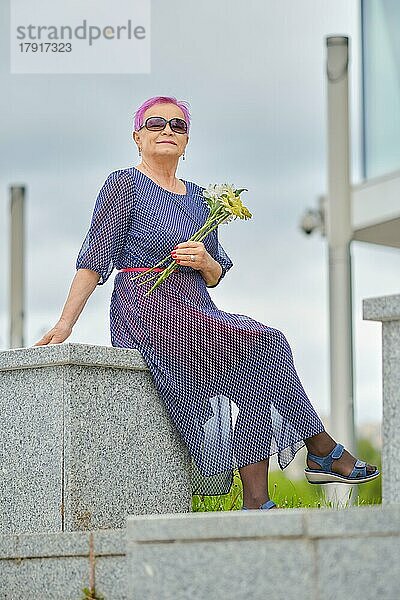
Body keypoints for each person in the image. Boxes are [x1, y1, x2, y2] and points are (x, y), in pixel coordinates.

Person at [34, 95, 380, 510]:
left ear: (187, 141)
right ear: (137, 137)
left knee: (259, 377)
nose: (167, 131)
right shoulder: (123, 184)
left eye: (177, 126)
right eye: (157, 124)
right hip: (144, 306)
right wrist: (65, 323)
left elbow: (216, 275)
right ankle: (321, 448)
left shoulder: (202, 198)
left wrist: (205, 260)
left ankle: (257, 499)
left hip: (197, 307)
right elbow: (94, 258)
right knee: (267, 342)